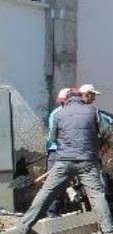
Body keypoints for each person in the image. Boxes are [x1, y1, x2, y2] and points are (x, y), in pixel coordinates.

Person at [18, 90, 113, 234]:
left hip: (64, 161)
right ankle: (109, 231)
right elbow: (106, 131)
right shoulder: (92, 111)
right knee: (96, 195)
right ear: (81, 99)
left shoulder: (59, 114)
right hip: (87, 161)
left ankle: (24, 225)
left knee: (47, 192)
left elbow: (52, 138)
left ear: (66, 101)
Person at [44, 87, 72, 218]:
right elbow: (53, 137)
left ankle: (56, 212)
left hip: (61, 151)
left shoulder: (58, 113)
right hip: (58, 152)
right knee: (54, 184)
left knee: (60, 184)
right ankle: (52, 213)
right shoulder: (58, 114)